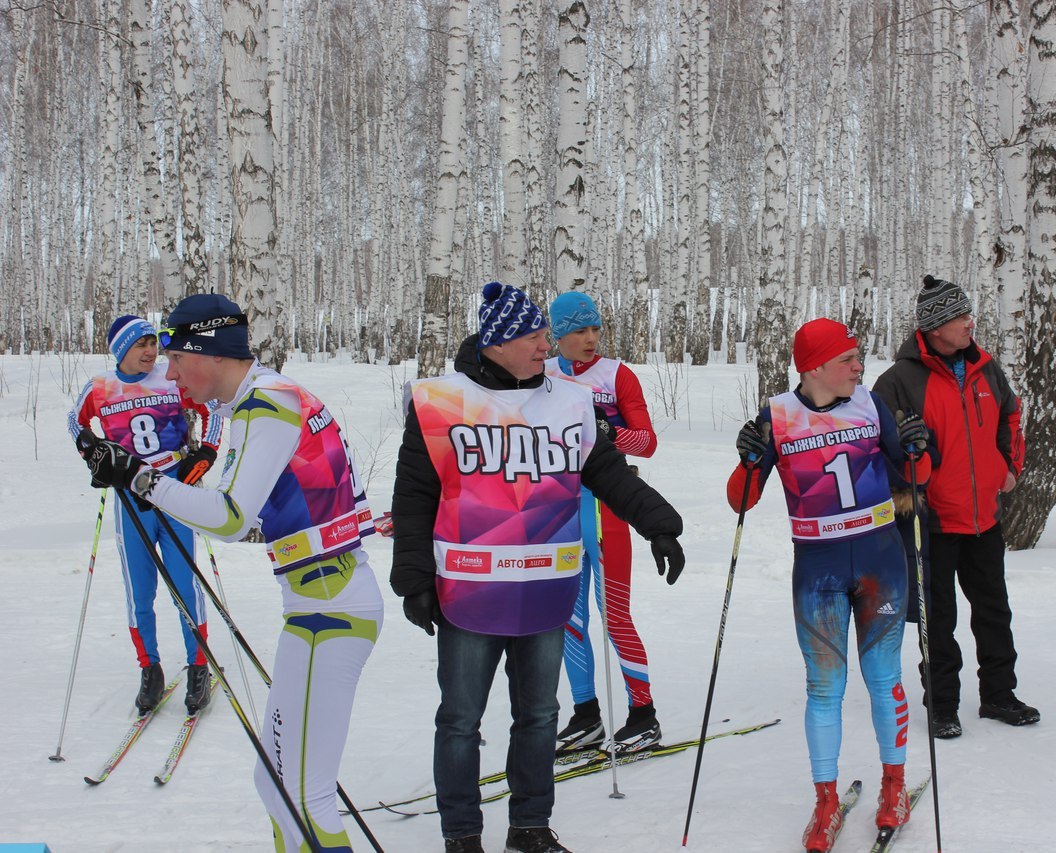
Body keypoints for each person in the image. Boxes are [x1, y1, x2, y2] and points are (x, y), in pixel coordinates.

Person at [76, 294, 382, 853]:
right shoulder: (263, 399)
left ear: (207, 352)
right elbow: (264, 519)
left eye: (175, 356)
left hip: (333, 609)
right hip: (317, 606)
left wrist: (141, 480)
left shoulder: (265, 403)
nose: (168, 372)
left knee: (303, 800)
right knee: (274, 784)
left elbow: (230, 517)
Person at [390, 281, 686, 853]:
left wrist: (660, 523)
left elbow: (608, 472)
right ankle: (462, 835)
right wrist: (414, 580)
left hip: (545, 590)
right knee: (459, 721)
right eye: (532, 335)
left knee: (539, 717)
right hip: (470, 593)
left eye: (545, 334)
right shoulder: (438, 402)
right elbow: (413, 498)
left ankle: (529, 827)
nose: (544, 344)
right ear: (497, 342)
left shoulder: (569, 400)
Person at [727, 318, 931, 851]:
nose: (859, 366)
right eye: (848, 359)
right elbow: (741, 499)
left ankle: (893, 785)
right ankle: (824, 800)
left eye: (858, 358)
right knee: (824, 689)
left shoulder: (870, 404)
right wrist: (749, 456)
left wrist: (915, 446)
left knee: (884, 677)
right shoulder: (779, 415)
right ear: (815, 367)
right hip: (816, 569)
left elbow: (920, 473)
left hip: (880, 560)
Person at [872, 275, 1037, 739]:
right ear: (937, 325)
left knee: (993, 610)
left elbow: (1011, 415)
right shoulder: (899, 380)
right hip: (934, 521)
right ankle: (942, 704)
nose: (971, 323)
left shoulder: (987, 369)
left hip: (985, 515)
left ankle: (999, 694)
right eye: (961, 316)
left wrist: (1011, 466)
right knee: (937, 617)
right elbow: (881, 446)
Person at [67, 314, 222, 716]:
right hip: (130, 498)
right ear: (121, 350)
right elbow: (75, 421)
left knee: (185, 587)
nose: (151, 352)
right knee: (140, 593)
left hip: (174, 491)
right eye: (141, 345)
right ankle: (149, 669)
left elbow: (214, 410)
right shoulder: (100, 387)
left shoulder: (170, 378)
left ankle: (199, 667)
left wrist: (206, 453)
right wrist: (93, 451)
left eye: (153, 343)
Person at [543, 291, 664, 754]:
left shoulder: (617, 375)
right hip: (558, 512)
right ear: (558, 335)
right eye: (579, 330)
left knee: (614, 618)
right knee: (568, 620)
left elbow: (647, 442)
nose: (591, 338)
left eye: (595, 329)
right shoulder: (543, 375)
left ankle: (643, 715)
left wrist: (611, 432)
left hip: (607, 510)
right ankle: (586, 714)